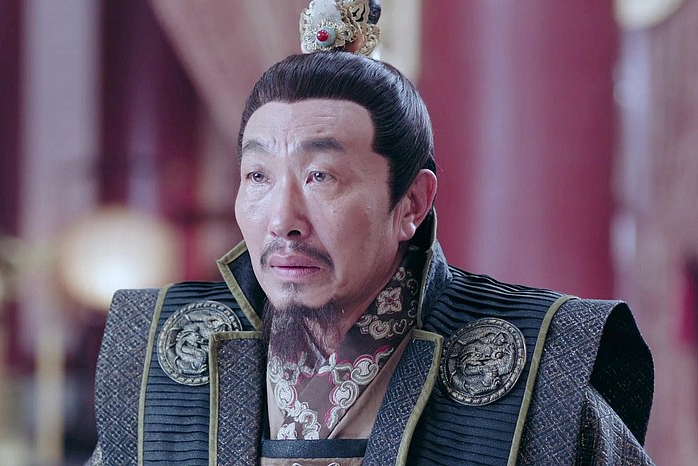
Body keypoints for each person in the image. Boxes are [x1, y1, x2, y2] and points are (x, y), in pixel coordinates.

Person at [87, 1, 653, 465]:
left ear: (412, 203)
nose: (282, 219)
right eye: (258, 176)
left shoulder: (532, 374)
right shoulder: (162, 364)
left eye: (321, 176)